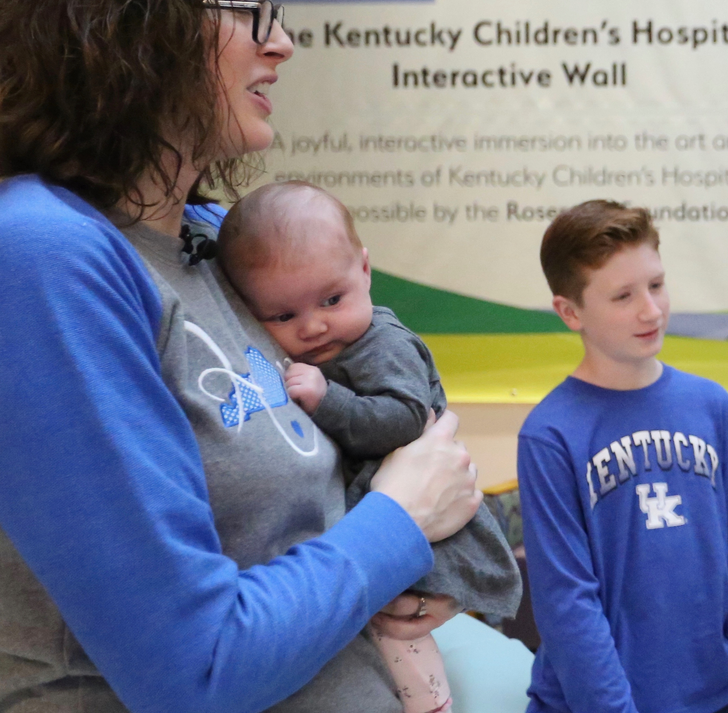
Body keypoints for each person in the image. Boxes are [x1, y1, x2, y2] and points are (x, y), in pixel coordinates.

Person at [0, 0, 484, 713]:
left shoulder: (219, 239)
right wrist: (399, 526)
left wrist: (422, 568)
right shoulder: (43, 254)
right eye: (250, 8)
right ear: (130, 26)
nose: (281, 39)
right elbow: (195, 672)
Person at [218, 180, 524, 713]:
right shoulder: (331, 337)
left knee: (399, 635)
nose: (313, 325)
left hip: (421, 533)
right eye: (282, 317)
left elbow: (407, 420)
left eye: (331, 300)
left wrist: (327, 400)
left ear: (365, 270)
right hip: (371, 538)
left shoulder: (381, 344)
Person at [517, 200, 728, 713]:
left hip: (722, 690)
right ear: (570, 312)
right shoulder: (549, 435)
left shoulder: (711, 405)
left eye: (656, 285)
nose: (650, 310)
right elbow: (567, 604)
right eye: (623, 296)